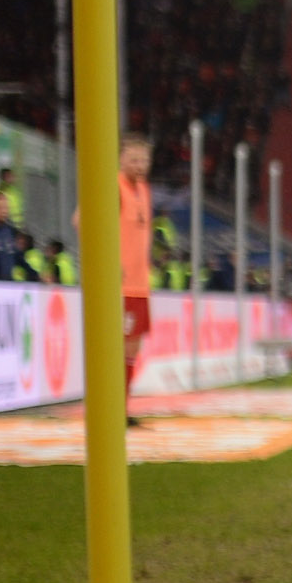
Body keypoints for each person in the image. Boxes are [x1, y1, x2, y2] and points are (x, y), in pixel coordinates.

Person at [118, 135, 155, 403]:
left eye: (143, 159)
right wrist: (107, 262)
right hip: (121, 285)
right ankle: (113, 408)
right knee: (118, 348)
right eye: (133, 159)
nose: (139, 165)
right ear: (121, 159)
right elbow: (82, 220)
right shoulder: (114, 186)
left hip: (140, 283)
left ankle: (123, 407)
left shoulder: (143, 189)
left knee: (133, 348)